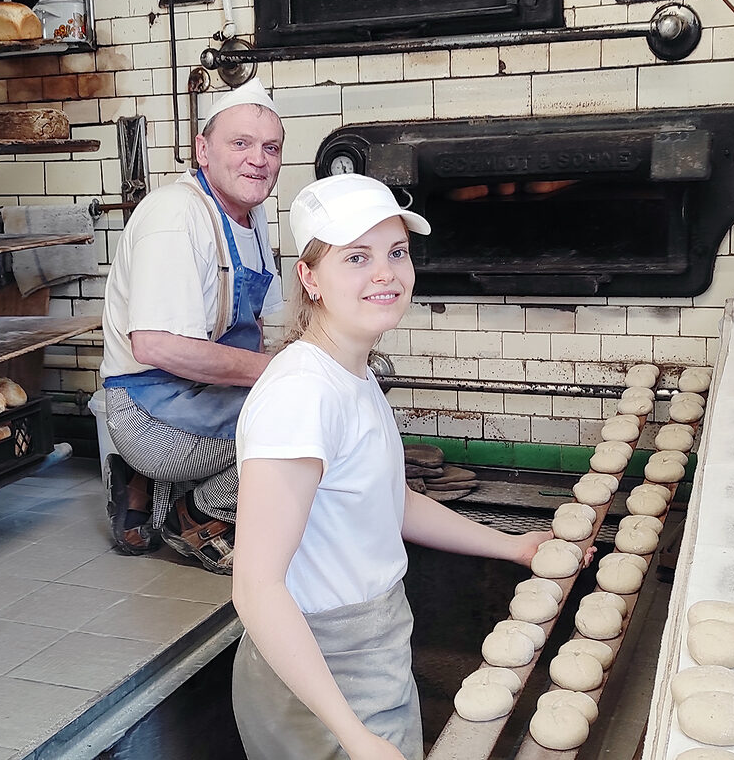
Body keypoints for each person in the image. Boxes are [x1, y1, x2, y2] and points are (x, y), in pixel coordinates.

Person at [231, 174, 574, 760]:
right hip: (320, 671)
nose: (387, 273)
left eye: (397, 253)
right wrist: (354, 735)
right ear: (310, 278)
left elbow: (389, 501)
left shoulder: (353, 373)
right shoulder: (300, 396)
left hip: (374, 645)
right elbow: (256, 589)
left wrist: (513, 547)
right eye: (357, 257)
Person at [98, 79, 285, 573]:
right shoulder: (175, 214)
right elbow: (156, 345)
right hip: (151, 408)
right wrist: (284, 377)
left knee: (328, 394)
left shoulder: (254, 214)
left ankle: (154, 487)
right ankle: (196, 512)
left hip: (208, 392)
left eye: (270, 148)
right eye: (240, 144)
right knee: (306, 420)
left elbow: (258, 321)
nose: (258, 160)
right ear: (203, 150)